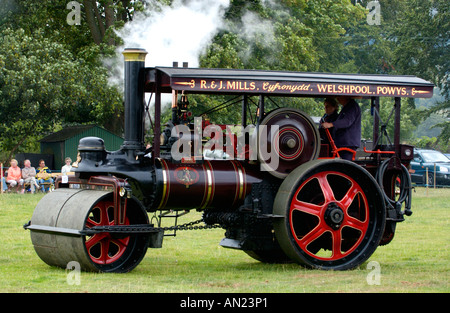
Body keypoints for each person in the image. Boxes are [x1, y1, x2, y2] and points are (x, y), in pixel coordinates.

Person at [321, 96, 361, 160]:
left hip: (347, 144)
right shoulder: (346, 107)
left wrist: (331, 124)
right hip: (343, 143)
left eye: (339, 96)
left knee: (344, 166)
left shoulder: (352, 107)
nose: (337, 99)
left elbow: (347, 121)